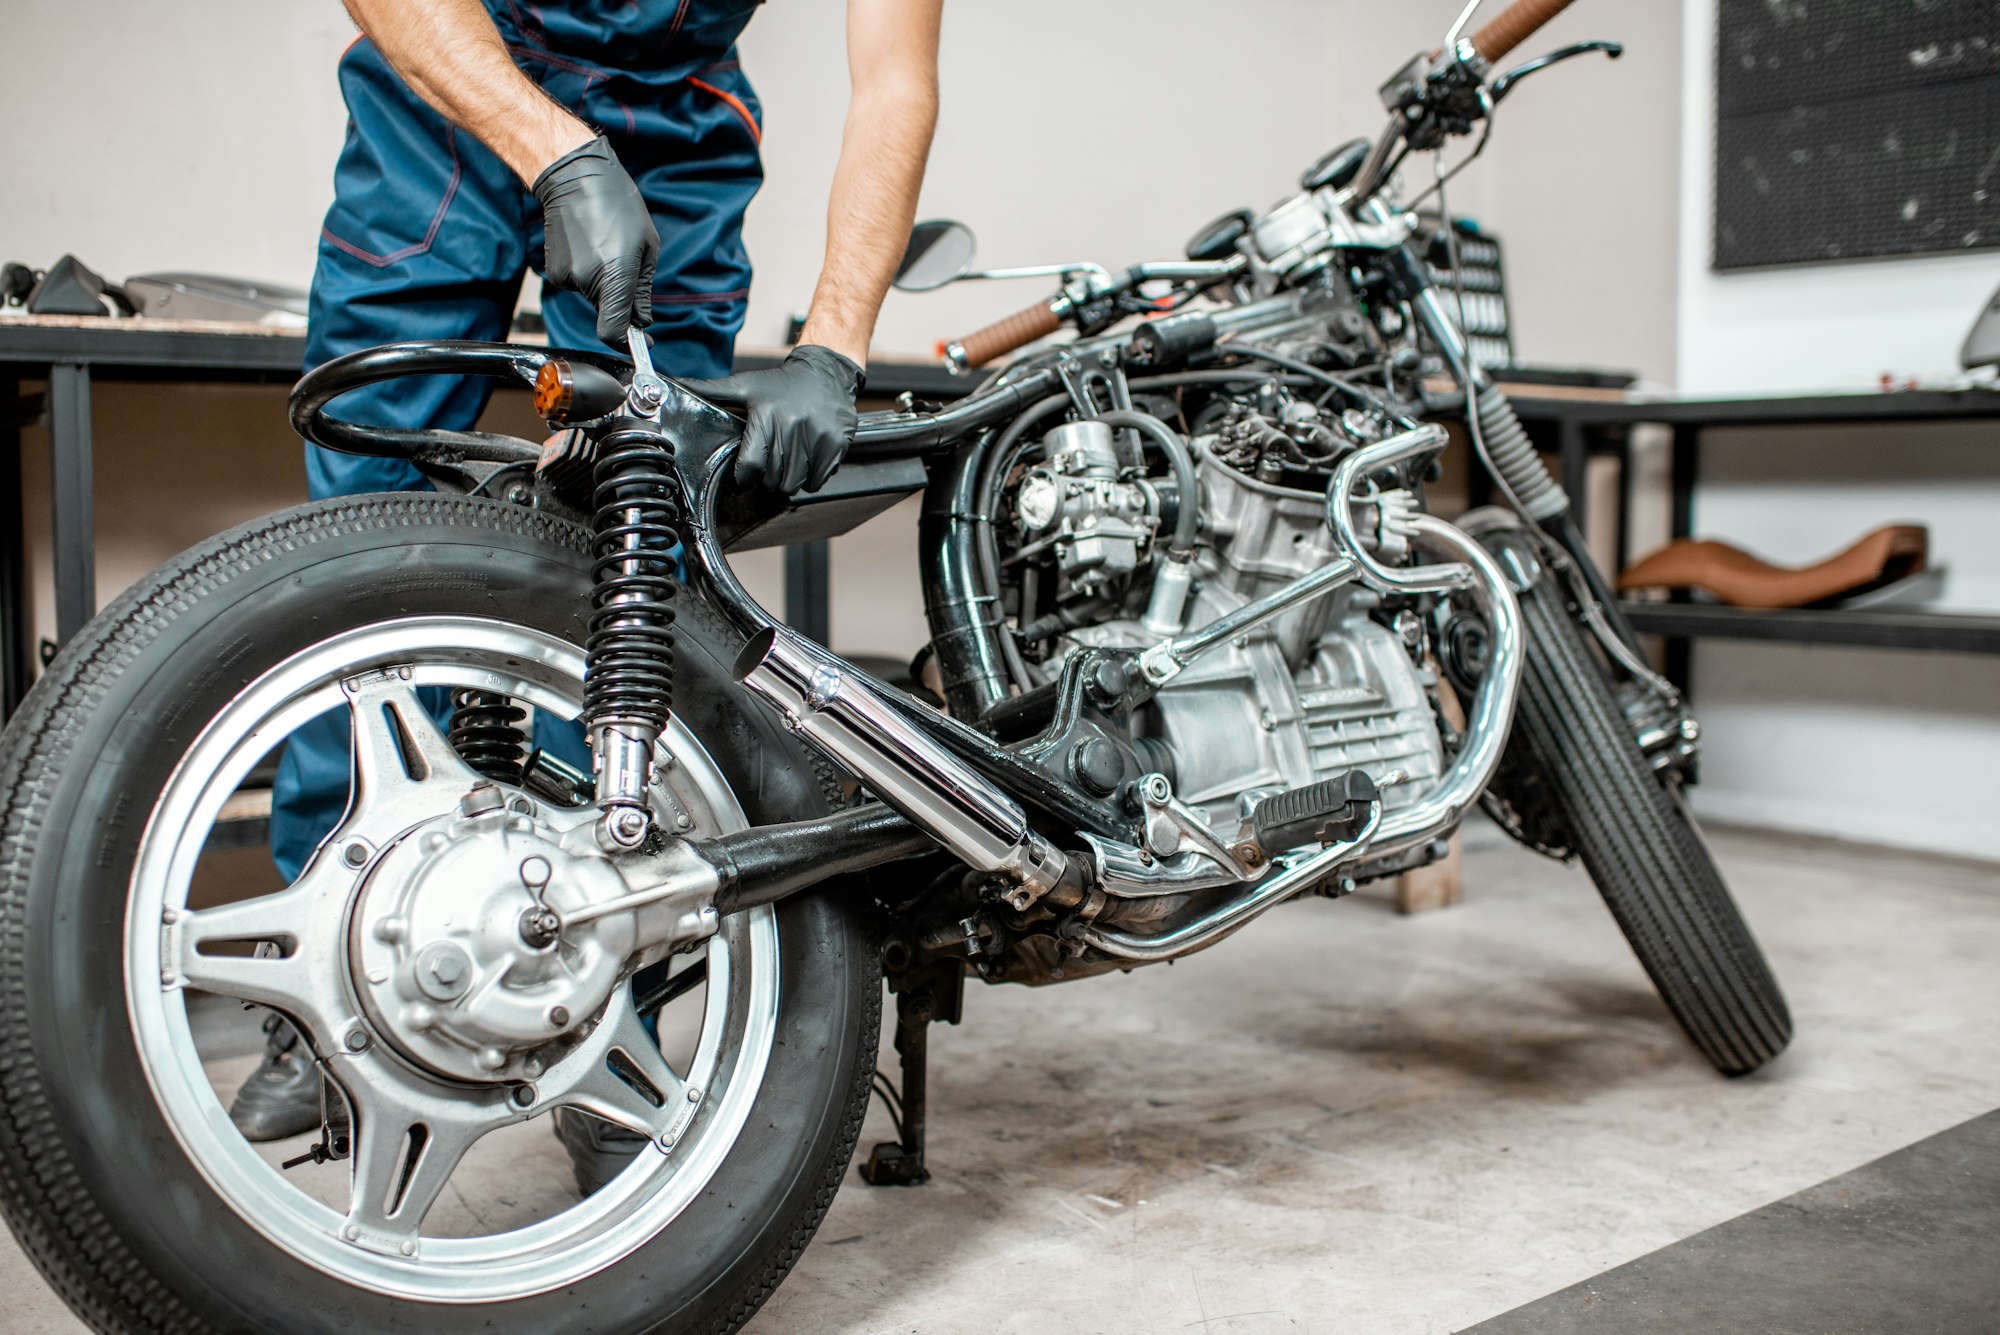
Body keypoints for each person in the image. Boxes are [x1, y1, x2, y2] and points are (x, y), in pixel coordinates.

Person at [230, 0, 943, 1191]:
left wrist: (834, 343)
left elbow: (895, 81)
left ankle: (611, 1005)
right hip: (448, 92)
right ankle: (323, 993)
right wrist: (551, 145)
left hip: (672, 121)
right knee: (361, 559)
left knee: (634, 570)